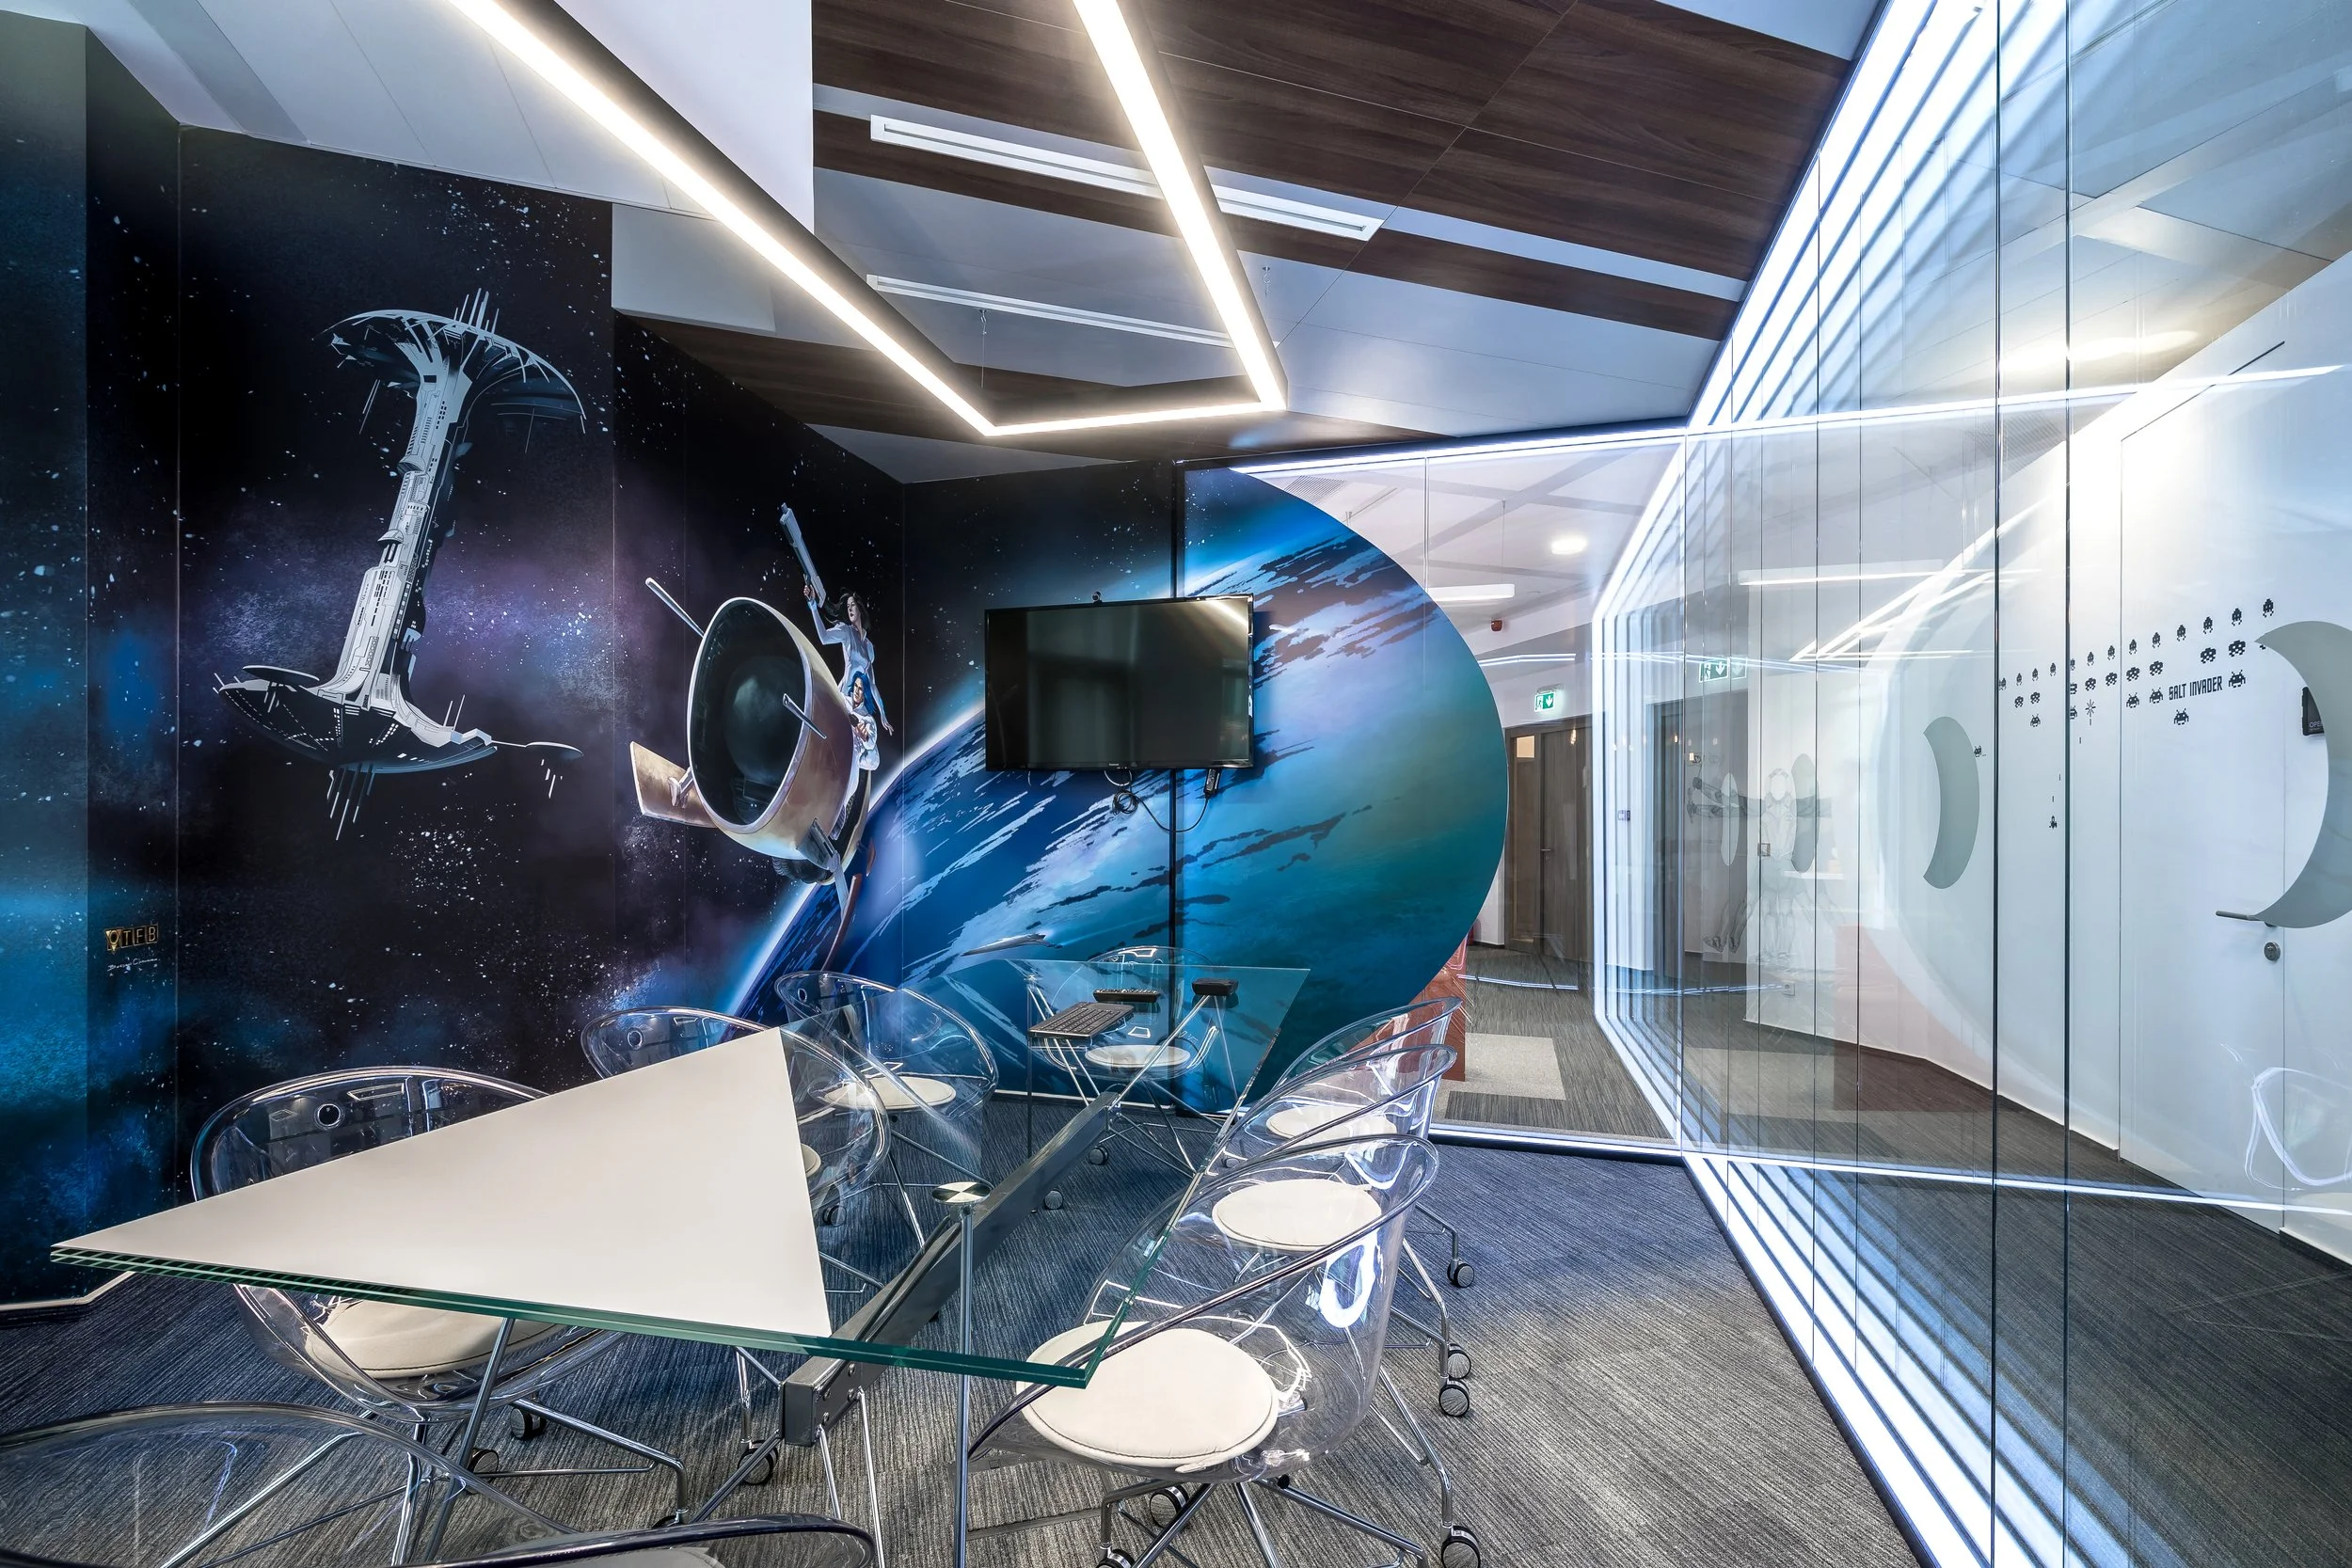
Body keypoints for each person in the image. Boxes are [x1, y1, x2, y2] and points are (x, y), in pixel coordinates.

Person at [779, 505, 891, 772]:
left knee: (872, 760)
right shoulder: (846, 632)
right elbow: (823, 636)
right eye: (848, 607)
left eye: (853, 606)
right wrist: (813, 607)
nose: (849, 610)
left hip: (862, 704)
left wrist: (883, 715)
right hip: (845, 698)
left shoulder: (869, 647)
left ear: (860, 610)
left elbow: (872, 684)